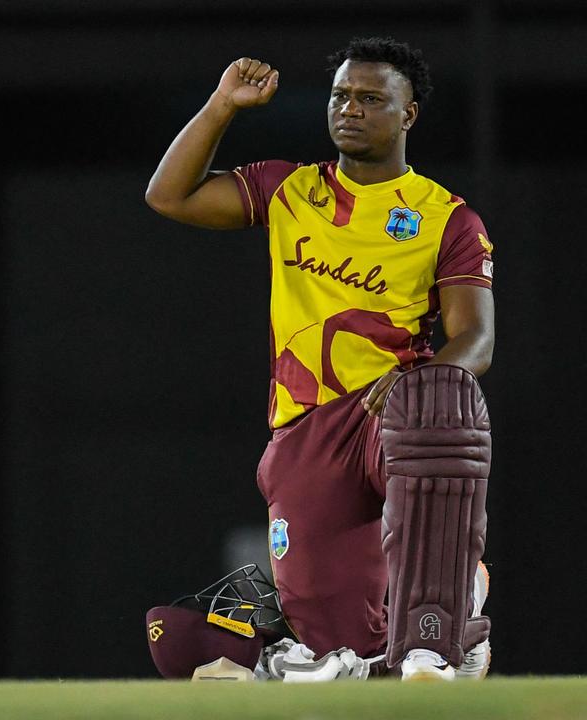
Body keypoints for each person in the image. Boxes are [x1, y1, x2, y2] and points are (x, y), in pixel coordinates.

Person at [144, 37, 494, 681]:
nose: (349, 109)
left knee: (444, 403)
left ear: (407, 114)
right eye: (340, 96)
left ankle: (439, 627)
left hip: (392, 411)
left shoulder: (447, 219)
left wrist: (429, 379)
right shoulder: (289, 190)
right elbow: (169, 196)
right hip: (305, 427)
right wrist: (223, 105)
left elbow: (476, 339)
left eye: (370, 99)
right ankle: (392, 648)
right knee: (341, 647)